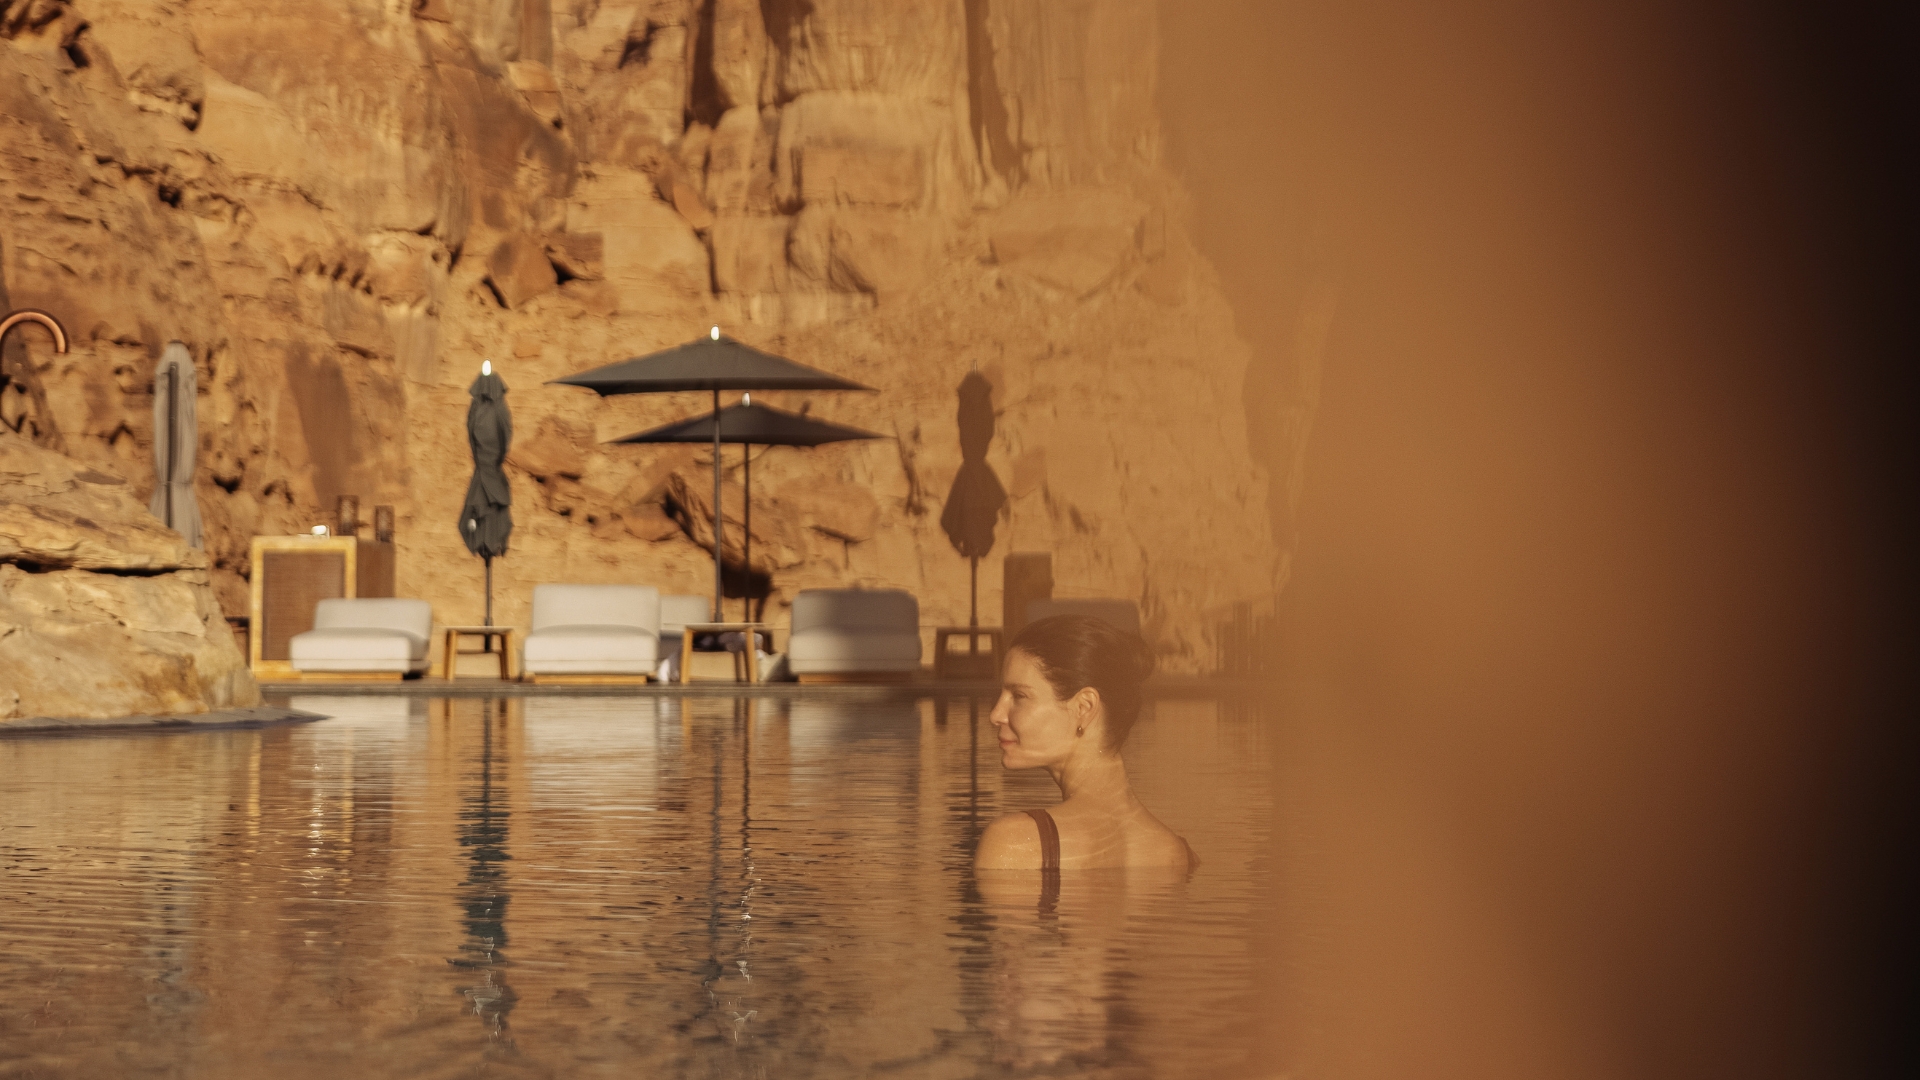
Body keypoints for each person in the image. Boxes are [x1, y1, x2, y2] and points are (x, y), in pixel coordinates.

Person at [974, 614, 1199, 871]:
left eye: (1019, 695)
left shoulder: (1015, 844)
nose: (995, 714)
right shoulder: (1179, 854)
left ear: (1084, 707)